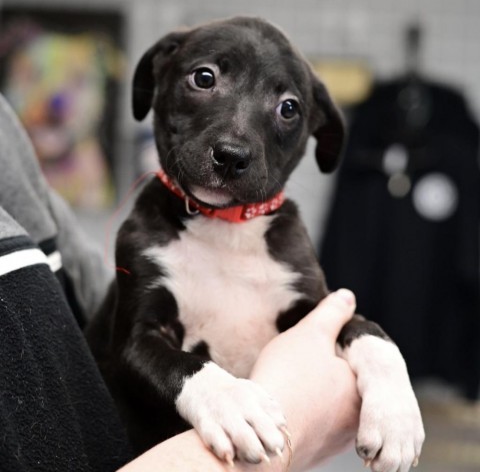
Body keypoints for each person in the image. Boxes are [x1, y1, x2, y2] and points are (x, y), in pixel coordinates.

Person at [0, 92, 360, 471]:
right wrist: (291, 428)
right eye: (204, 80)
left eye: (287, 108)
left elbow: (111, 319)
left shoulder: (7, 129)